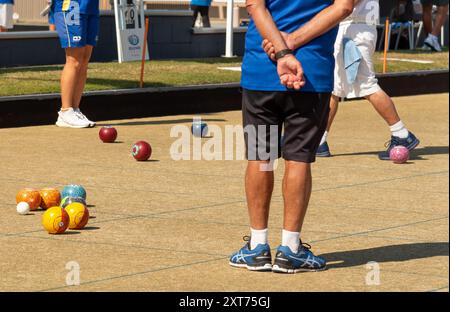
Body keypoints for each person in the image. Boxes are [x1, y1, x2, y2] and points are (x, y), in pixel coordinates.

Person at [229, 0, 354, 273]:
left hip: (262, 68)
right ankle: (290, 249)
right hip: (311, 70)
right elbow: (344, 7)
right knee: (298, 159)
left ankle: (257, 247)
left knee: (260, 157)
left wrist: (282, 49)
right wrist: (292, 43)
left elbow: (254, 5)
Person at [262, 0, 420, 159]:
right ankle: (319, 140)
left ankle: (401, 133)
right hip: (352, 28)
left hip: (354, 30)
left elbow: (347, 3)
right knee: (335, 89)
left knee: (367, 85)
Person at [52, 0, 99, 128]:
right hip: (72, 6)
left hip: (91, 7)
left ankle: (74, 110)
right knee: (74, 60)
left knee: (84, 60)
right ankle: (65, 110)